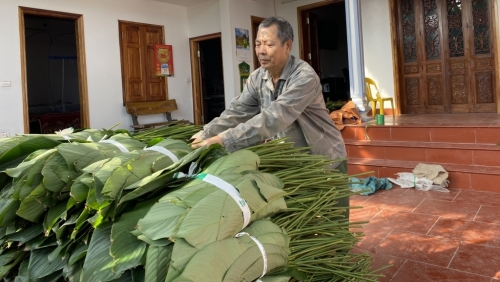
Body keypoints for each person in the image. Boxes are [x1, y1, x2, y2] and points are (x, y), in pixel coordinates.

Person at [191, 16, 347, 174]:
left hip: (326, 160)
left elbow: (276, 117)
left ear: (287, 46)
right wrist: (205, 133)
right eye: (258, 44)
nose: (261, 51)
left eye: (269, 44)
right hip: (292, 161)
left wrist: (225, 140)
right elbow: (237, 112)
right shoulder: (256, 78)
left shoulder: (304, 76)